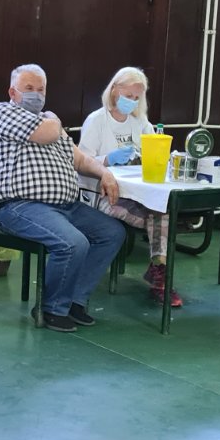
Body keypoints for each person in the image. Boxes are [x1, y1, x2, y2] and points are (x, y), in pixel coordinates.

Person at [0, 64, 127, 332]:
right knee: (73, 243)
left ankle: (74, 301)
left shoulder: (49, 122)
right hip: (20, 206)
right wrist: (54, 119)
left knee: (112, 233)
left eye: (41, 90)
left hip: (67, 206)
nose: (36, 95)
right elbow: (49, 132)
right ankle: (50, 307)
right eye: (29, 89)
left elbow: (80, 160)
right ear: (12, 92)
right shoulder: (2, 112)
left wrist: (104, 172)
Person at [79, 66, 180, 308]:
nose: (132, 101)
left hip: (134, 193)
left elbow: (153, 150)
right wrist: (108, 159)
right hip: (101, 194)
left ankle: (159, 270)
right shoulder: (97, 120)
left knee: (162, 213)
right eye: (128, 96)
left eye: (136, 97)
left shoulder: (140, 122)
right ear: (115, 90)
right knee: (160, 220)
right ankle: (160, 276)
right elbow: (82, 162)